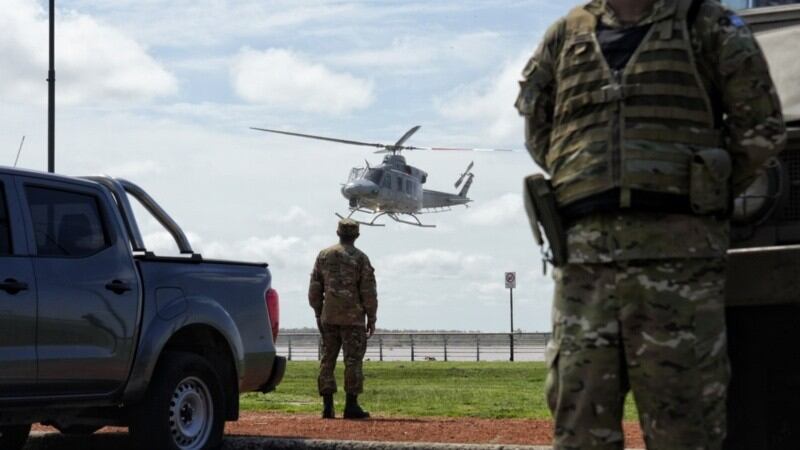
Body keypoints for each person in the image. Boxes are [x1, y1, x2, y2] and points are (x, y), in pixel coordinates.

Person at [515, 0, 786, 448]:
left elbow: (759, 129)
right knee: (579, 430)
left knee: (686, 428)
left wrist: (699, 193)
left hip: (678, 265)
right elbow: (539, 128)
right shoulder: (565, 34)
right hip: (585, 269)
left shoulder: (706, 23)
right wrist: (588, 182)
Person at [308, 219, 378, 420]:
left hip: (329, 317)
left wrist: (318, 312)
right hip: (353, 319)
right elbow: (368, 291)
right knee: (353, 361)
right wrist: (371, 317)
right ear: (356, 235)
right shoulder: (361, 259)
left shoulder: (324, 256)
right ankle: (351, 405)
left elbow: (315, 287)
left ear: (338, 233)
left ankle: (327, 406)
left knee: (327, 360)